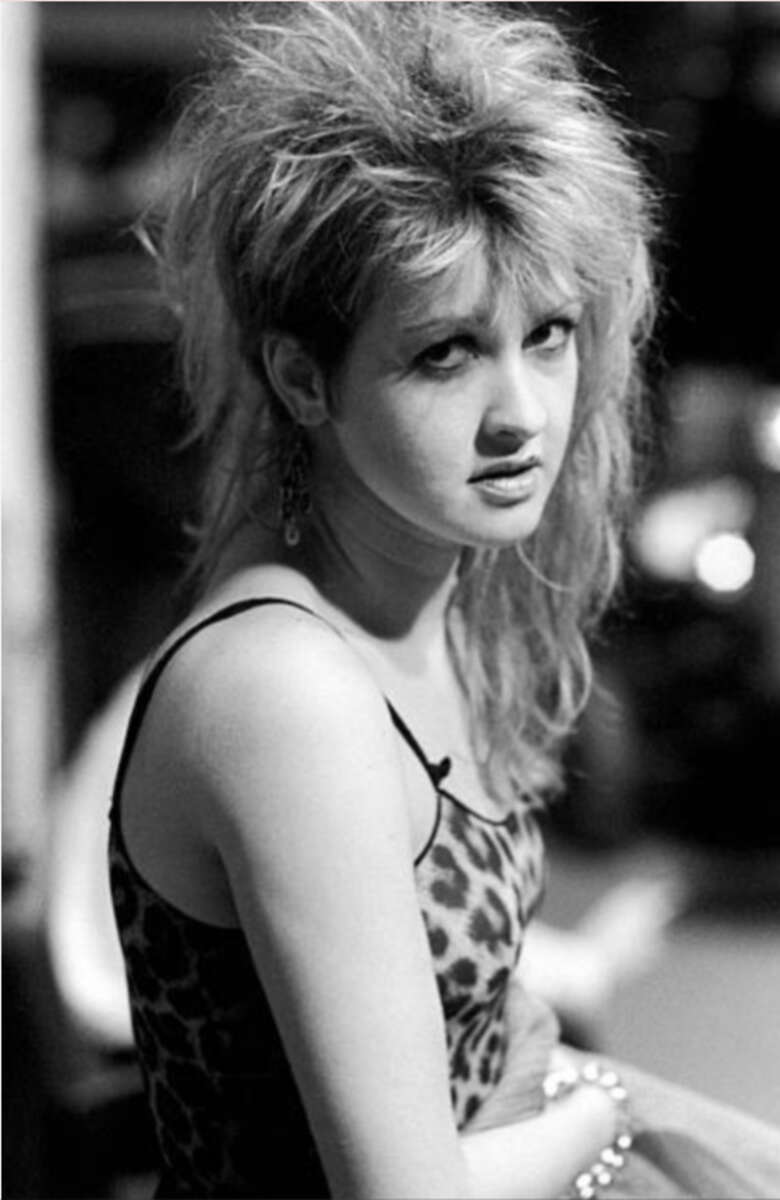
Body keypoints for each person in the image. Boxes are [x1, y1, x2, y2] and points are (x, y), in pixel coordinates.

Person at [107, 4, 780, 1197]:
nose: (522, 412)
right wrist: (612, 1109)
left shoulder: (421, 596)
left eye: (551, 333)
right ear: (304, 378)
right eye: (446, 352)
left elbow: (468, 1031)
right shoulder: (286, 690)